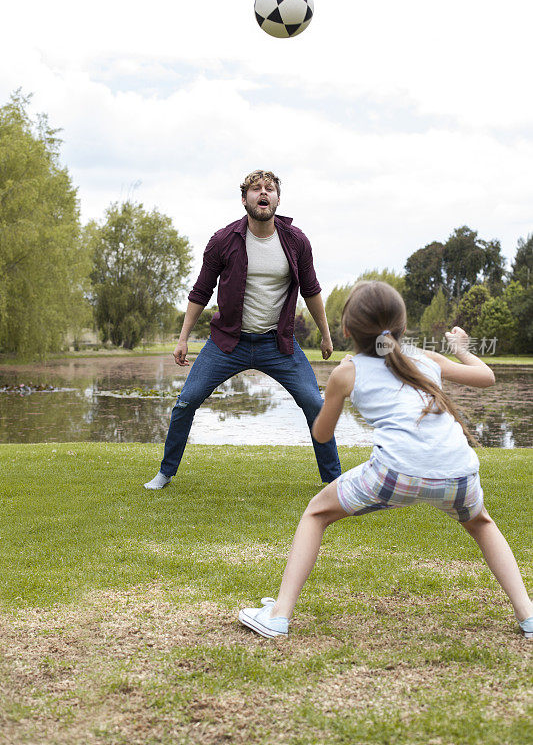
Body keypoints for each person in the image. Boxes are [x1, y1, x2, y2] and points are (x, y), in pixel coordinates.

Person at [239, 280, 533, 640]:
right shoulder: (425, 358)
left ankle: (279, 615)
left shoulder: (348, 371)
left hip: (394, 474)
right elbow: (486, 377)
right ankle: (529, 617)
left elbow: (322, 435)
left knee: (316, 513)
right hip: (459, 474)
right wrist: (462, 349)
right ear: (403, 326)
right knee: (482, 525)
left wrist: (336, 389)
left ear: (346, 330)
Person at [144, 169, 342, 490]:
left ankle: (333, 480)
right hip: (228, 343)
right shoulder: (223, 241)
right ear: (244, 199)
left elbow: (312, 290)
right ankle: (165, 473)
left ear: (278, 199)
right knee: (186, 401)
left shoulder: (296, 242)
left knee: (316, 405)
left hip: (277, 345)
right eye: (256, 189)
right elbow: (200, 291)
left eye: (270, 189)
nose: (263, 193)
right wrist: (182, 338)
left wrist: (326, 333)